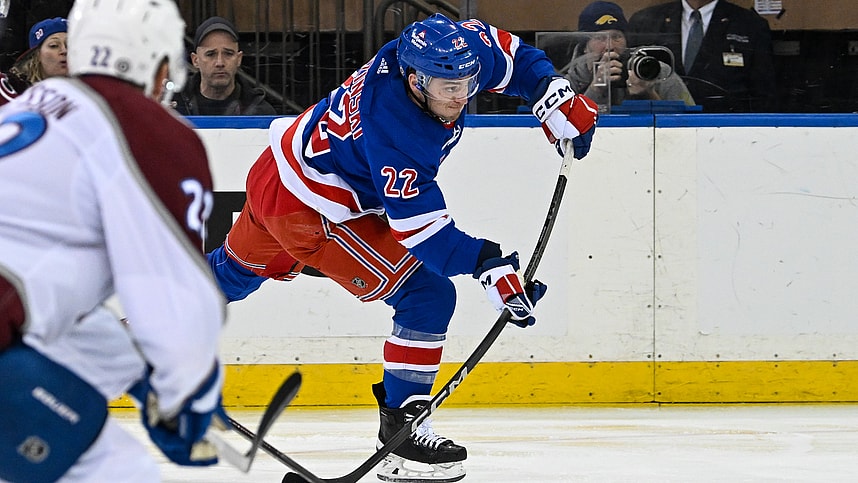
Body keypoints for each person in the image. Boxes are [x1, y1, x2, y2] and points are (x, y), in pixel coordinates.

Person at [206, 12, 597, 482]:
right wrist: (487, 264)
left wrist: (551, 93)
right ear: (414, 80)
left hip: (277, 172)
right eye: (445, 88)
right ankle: (401, 434)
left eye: (466, 84)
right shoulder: (394, 126)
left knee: (233, 271)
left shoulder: (455, 51)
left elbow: (515, 56)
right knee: (426, 296)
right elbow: (422, 233)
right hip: (313, 211)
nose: (458, 97)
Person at [0, 0, 228, 481]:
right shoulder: (150, 131)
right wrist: (190, 392)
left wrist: (141, 376)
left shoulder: (31, 107)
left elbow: (56, 306)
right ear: (161, 61)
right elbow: (172, 294)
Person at [627, 0, 777, 112]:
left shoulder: (751, 25)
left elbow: (763, 95)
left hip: (726, 132)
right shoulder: (645, 22)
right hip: (658, 130)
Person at [563, 1, 695, 110]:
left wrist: (649, 93)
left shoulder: (655, 71)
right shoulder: (571, 82)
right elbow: (563, 128)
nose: (610, 46)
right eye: (600, 38)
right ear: (585, 47)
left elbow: (689, 120)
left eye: (616, 37)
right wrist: (595, 89)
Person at [173, 16, 277, 116]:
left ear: (239, 59)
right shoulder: (173, 107)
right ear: (195, 60)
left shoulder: (260, 112)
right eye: (211, 54)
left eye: (228, 54)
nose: (220, 63)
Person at [1, 16, 68, 107]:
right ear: (36, 56)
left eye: (69, 44)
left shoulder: (88, 94)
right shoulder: (11, 89)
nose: (64, 51)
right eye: (54, 45)